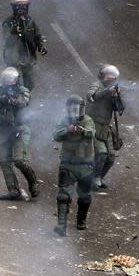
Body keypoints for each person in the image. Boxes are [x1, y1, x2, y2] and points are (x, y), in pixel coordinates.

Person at [0, 67, 39, 200]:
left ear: (16, 79)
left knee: (19, 160)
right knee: (4, 161)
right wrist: (3, 98)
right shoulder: (1, 90)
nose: (8, 81)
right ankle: (13, 190)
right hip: (5, 130)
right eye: (6, 79)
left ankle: (33, 183)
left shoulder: (22, 90)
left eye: (10, 79)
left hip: (20, 129)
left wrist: (13, 100)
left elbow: (24, 101)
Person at [53, 95, 95, 236]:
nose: (74, 111)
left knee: (85, 197)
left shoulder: (88, 120)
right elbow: (56, 135)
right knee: (63, 196)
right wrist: (68, 130)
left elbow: (91, 133)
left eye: (77, 108)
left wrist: (82, 130)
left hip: (85, 165)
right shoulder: (64, 121)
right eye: (72, 108)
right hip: (68, 164)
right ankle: (61, 225)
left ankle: (81, 220)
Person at [86, 65, 125, 189]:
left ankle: (98, 178)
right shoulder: (97, 85)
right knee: (102, 154)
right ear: (104, 76)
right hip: (93, 125)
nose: (111, 79)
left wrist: (116, 97)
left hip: (105, 129)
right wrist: (107, 91)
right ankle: (92, 179)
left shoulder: (112, 90)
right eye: (110, 76)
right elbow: (91, 97)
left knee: (111, 158)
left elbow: (120, 108)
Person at [2, 0, 47, 91]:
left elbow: (37, 36)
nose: (21, 9)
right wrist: (14, 29)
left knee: (29, 85)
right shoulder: (8, 22)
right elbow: (6, 39)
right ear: (14, 8)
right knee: (14, 84)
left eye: (23, 6)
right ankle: (12, 102)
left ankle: (26, 100)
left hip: (27, 58)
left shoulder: (30, 21)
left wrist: (41, 47)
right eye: (18, 7)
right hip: (13, 59)